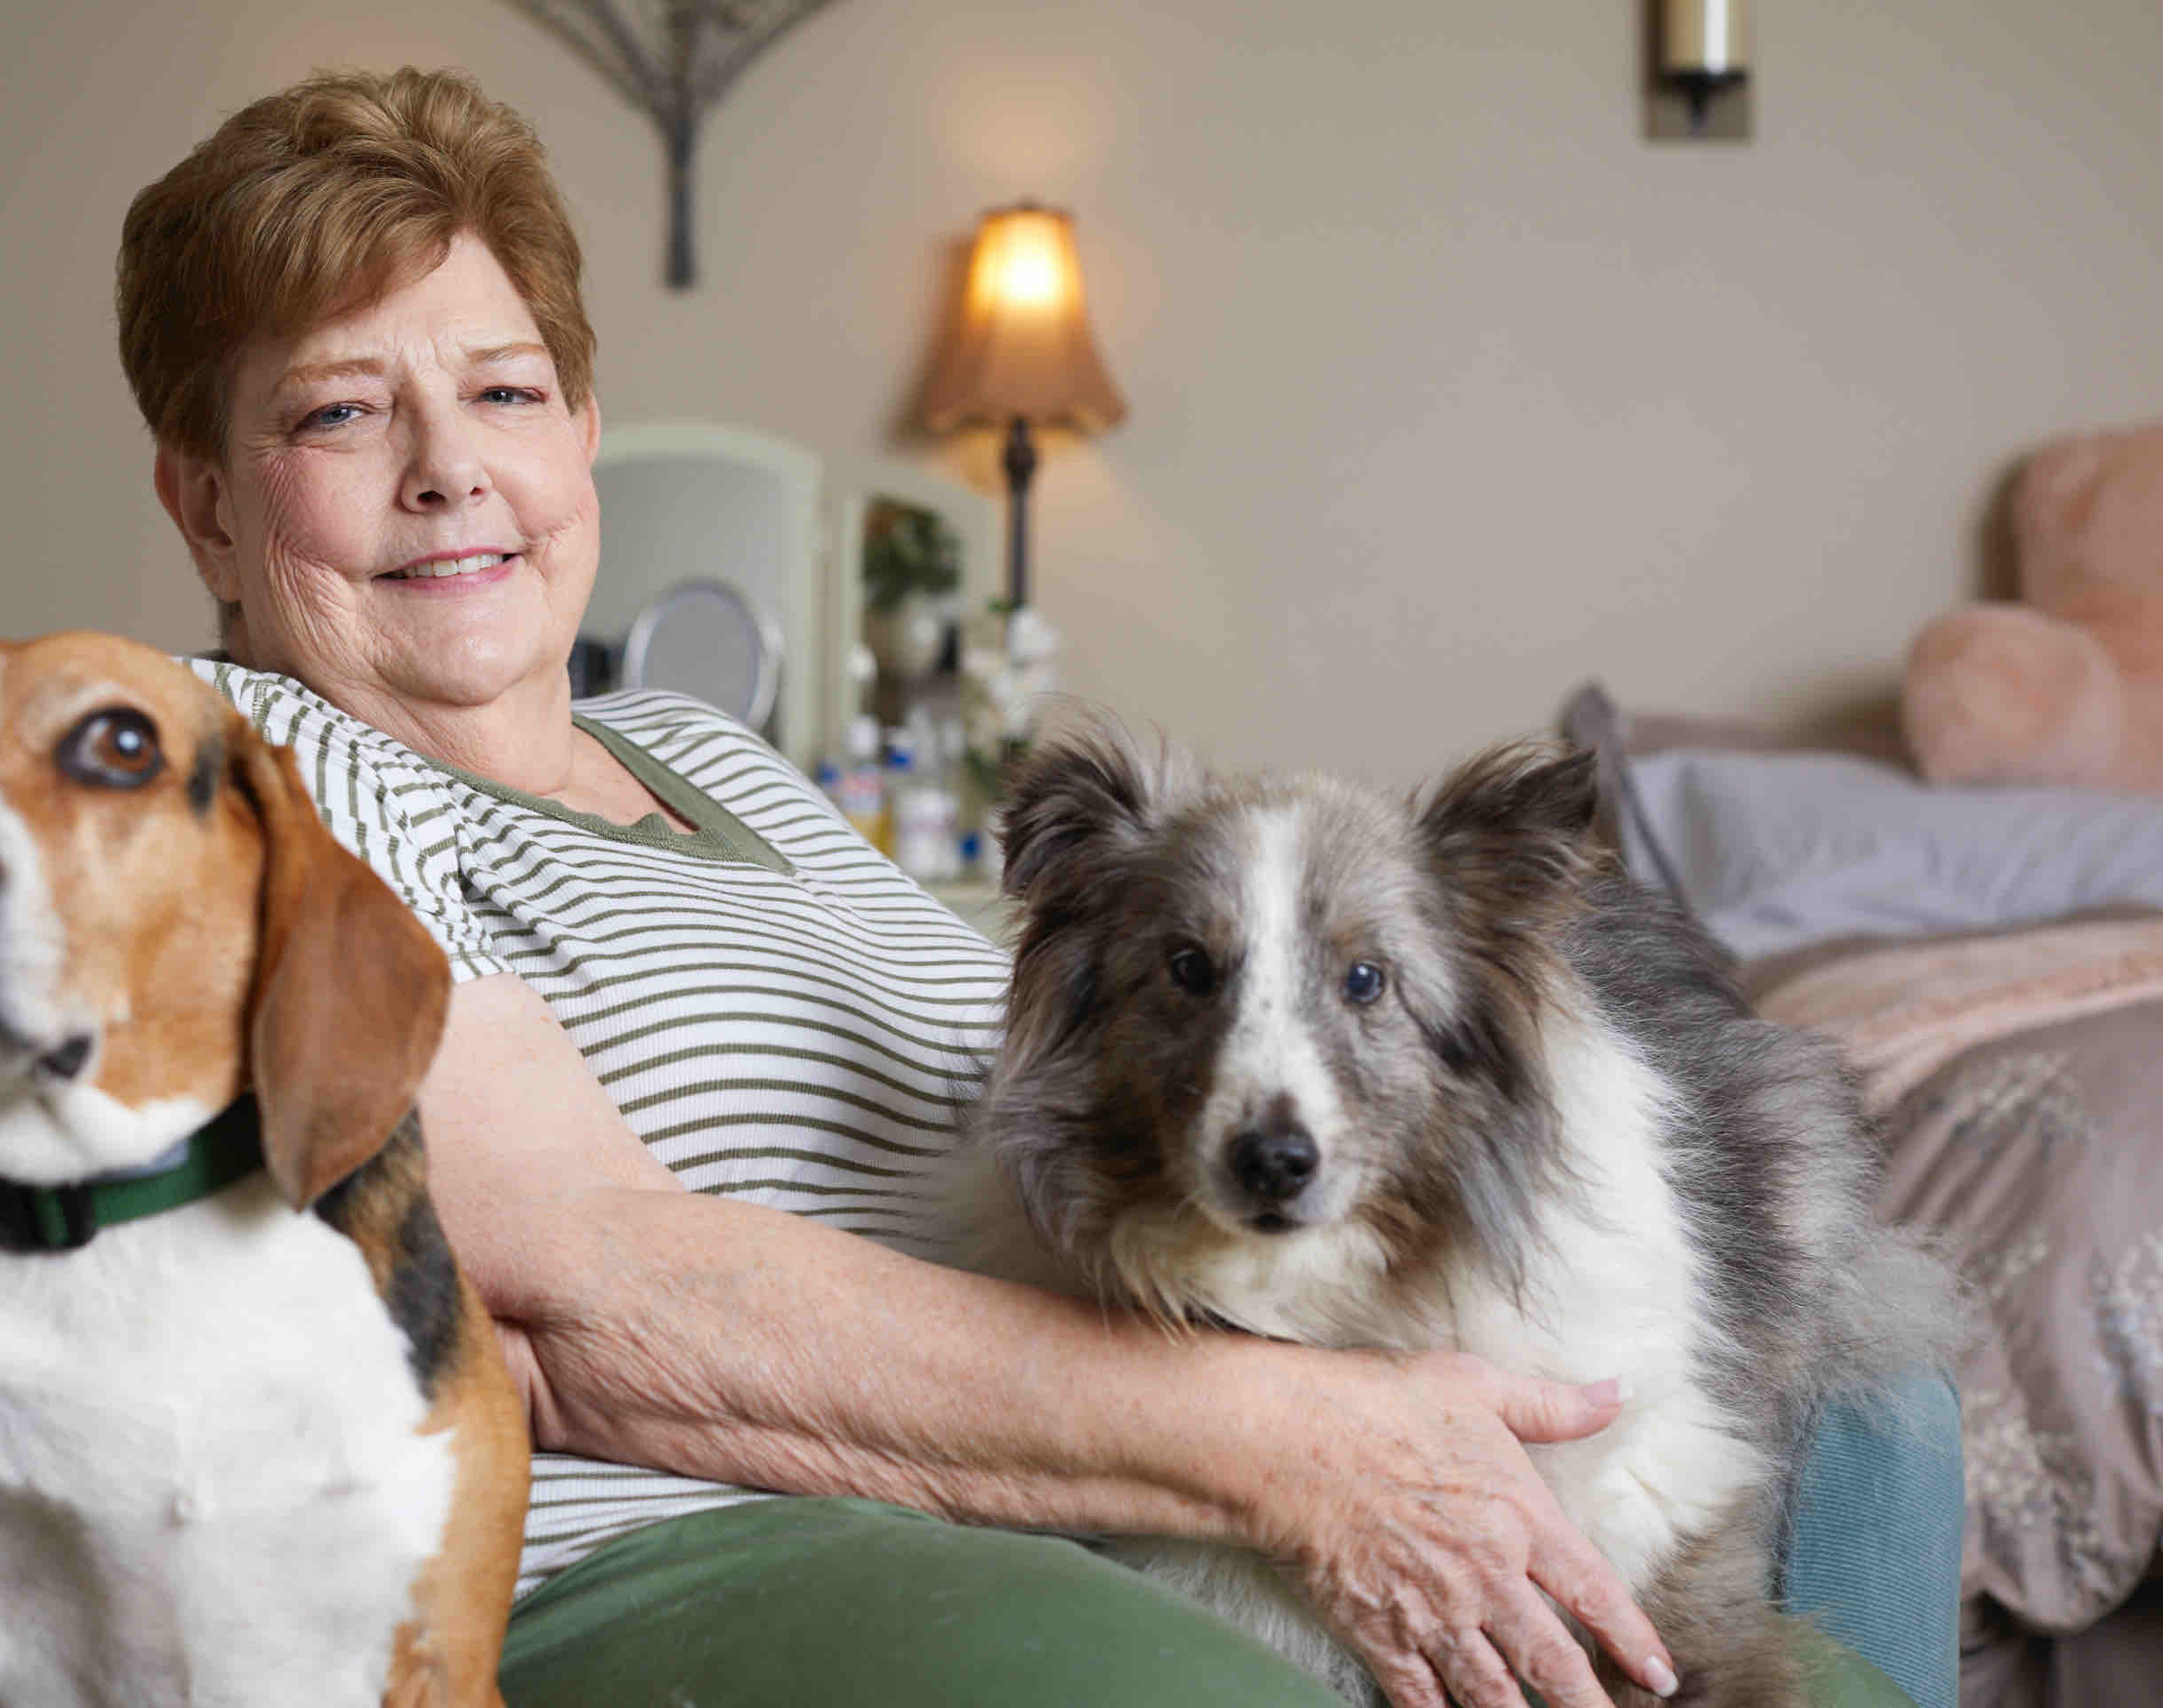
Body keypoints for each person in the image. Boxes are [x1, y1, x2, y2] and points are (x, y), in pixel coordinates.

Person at [121, 66, 1929, 1708]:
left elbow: (1089, 1087)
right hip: (697, 1537)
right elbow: (592, 1300)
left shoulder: (710, 754)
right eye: (344, 416)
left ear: (583, 430)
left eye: (504, 390)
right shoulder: (225, 780)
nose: (453, 472)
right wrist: (1296, 1442)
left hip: (1099, 1482)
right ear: (207, 505)